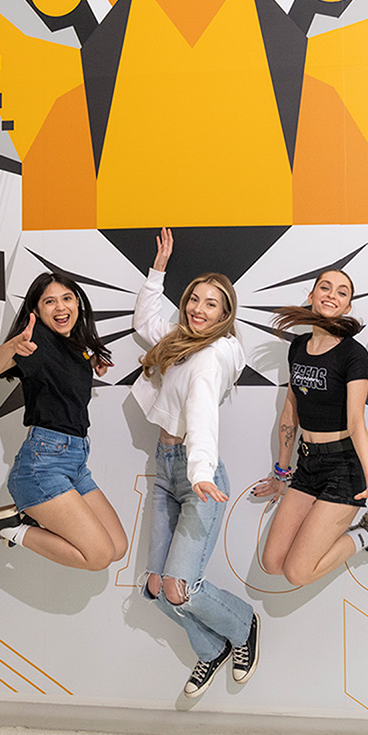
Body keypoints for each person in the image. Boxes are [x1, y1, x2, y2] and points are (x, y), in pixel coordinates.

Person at [132, 228, 259, 699]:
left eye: (211, 305)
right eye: (194, 300)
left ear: (227, 316)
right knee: (154, 587)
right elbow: (147, 319)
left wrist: (201, 471)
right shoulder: (184, 340)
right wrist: (158, 269)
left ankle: (243, 624)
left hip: (194, 473)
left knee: (179, 588)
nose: (198, 310)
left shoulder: (210, 357)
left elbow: (203, 417)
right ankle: (212, 649)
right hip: (166, 467)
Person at [251, 270, 368, 585]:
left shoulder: (353, 355)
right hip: (308, 463)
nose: (331, 295)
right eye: (325, 287)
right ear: (311, 296)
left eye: (342, 293)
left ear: (347, 307)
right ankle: (367, 529)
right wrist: (281, 473)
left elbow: (356, 421)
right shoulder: (298, 346)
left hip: (343, 469)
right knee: (272, 563)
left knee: (297, 573)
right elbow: (289, 411)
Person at [0, 272, 128, 570]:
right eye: (49, 302)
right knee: (98, 557)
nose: (60, 307)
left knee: (117, 547)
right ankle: (14, 529)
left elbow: (60, 379)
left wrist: (89, 364)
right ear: (37, 311)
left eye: (67, 298)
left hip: (76, 462)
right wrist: (14, 346)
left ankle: (26, 518)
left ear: (78, 303)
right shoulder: (37, 340)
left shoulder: (74, 345)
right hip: (44, 463)